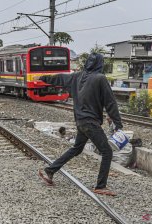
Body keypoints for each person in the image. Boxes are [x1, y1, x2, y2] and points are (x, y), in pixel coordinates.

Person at [38, 53, 123, 196]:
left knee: (77, 148)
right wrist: (118, 123)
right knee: (107, 152)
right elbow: (110, 102)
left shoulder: (77, 76)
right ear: (100, 64)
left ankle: (50, 170)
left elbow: (59, 78)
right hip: (90, 123)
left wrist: (42, 78)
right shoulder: (100, 78)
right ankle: (100, 186)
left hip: (80, 121)